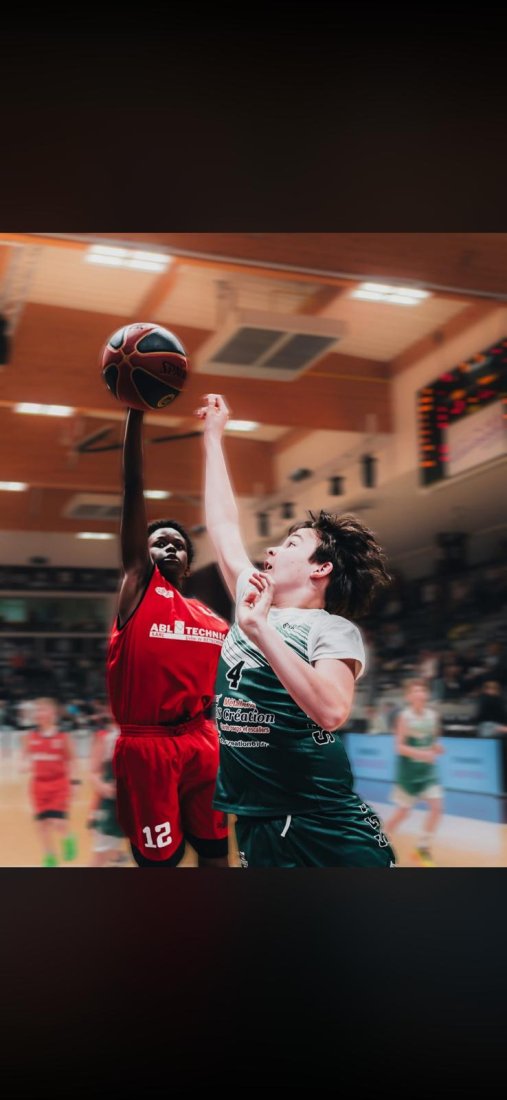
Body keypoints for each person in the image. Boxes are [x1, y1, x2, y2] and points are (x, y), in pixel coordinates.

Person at [196, 393, 395, 868]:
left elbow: (330, 710)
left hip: (322, 822)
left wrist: (261, 630)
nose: (270, 551)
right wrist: (213, 436)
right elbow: (223, 527)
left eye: (290, 544)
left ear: (320, 568)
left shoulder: (331, 629)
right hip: (256, 820)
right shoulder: (254, 601)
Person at [106, 408, 230, 868]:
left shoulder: (211, 621)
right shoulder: (139, 589)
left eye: (177, 543)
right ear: (143, 554)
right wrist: (135, 412)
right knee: (161, 863)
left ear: (189, 565)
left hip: (201, 740)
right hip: (148, 746)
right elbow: (132, 488)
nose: (169, 546)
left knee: (216, 852)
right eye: (158, 541)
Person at [386, 680, 444, 868]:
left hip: (427, 772)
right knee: (403, 813)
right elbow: (399, 747)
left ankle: (422, 848)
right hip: (408, 774)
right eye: (415, 691)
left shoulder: (433, 716)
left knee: (436, 807)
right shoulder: (404, 717)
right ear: (409, 697)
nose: (419, 694)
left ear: (426, 695)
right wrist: (423, 754)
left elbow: (431, 741)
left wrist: (436, 748)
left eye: (422, 690)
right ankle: (378, 843)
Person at [21, 696, 79, 867]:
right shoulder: (29, 737)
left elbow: (73, 760)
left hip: (59, 784)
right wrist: (22, 764)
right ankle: (50, 856)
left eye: (42, 709)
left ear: (52, 713)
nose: (38, 713)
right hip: (38, 785)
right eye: (37, 710)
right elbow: (24, 757)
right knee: (41, 824)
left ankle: (68, 838)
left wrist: (75, 783)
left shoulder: (63, 737)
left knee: (57, 822)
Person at [87, 717, 128, 867]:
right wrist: (104, 788)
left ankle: (118, 858)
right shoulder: (105, 737)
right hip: (109, 805)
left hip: (136, 806)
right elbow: (93, 773)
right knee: (101, 854)